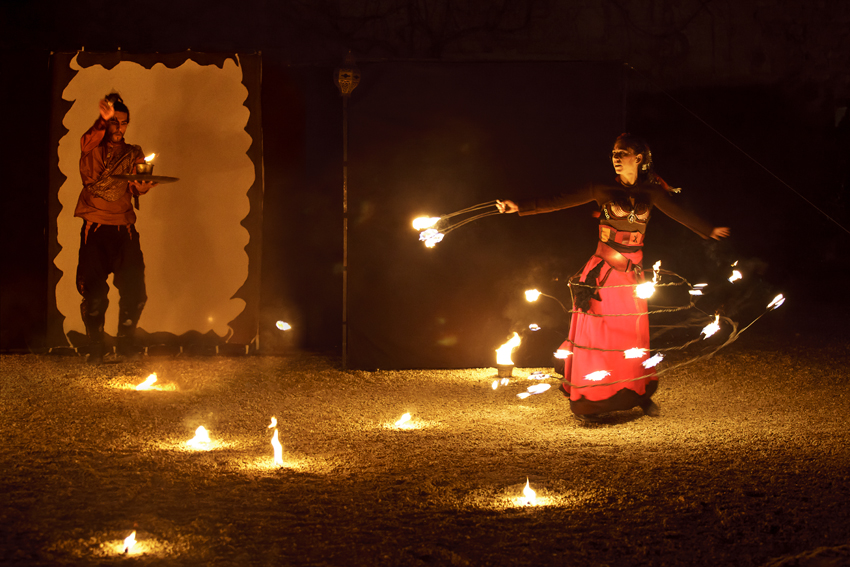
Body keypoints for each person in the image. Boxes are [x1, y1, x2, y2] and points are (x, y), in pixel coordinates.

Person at [498, 133, 729, 420]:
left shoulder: (652, 193)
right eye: (614, 154)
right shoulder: (602, 188)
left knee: (632, 334)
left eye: (623, 153)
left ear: (639, 158)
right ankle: (590, 400)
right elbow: (559, 200)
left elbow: (679, 213)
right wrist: (520, 206)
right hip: (605, 272)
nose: (617, 159)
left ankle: (639, 393)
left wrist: (708, 230)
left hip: (631, 275)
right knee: (601, 334)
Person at [75, 93, 157, 363]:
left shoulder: (133, 153)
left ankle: (125, 346)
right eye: (114, 123)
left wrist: (142, 188)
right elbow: (86, 141)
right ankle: (96, 349)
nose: (119, 128)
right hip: (96, 227)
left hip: (124, 229)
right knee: (95, 294)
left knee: (135, 292)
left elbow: (136, 185)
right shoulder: (93, 147)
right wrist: (102, 120)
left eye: (123, 123)